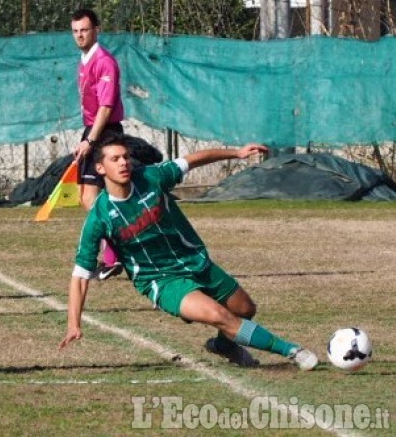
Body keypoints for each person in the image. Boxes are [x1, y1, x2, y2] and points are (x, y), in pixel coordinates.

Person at [58, 135, 319, 371]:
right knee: (220, 316)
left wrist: (236, 153)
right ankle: (293, 351)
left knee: (245, 309)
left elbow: (192, 160)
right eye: (115, 159)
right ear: (101, 168)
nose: (124, 163)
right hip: (161, 280)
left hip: (195, 262)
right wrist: (74, 323)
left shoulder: (150, 177)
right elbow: (80, 276)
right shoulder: (99, 217)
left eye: (125, 156)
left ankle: (224, 347)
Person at [70, 8, 125, 280]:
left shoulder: (104, 61)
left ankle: (117, 250)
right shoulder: (84, 60)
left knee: (91, 198)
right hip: (93, 130)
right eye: (76, 31)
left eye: (85, 30)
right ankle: (115, 250)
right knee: (88, 197)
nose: (80, 35)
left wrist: (91, 140)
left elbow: (106, 107)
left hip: (105, 133)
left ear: (96, 30)